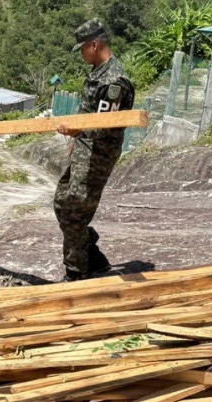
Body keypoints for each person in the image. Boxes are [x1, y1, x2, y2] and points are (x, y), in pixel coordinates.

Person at [54, 18, 135, 282]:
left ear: (94, 44)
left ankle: (77, 272)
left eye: (82, 48)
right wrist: (75, 140)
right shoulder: (100, 72)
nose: (81, 54)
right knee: (61, 204)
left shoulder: (114, 81)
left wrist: (75, 130)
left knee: (74, 211)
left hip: (97, 155)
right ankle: (93, 255)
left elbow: (102, 126)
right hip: (83, 150)